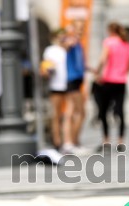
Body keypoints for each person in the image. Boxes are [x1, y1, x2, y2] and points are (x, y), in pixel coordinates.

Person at [93, 22, 129, 152]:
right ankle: (121, 141)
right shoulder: (126, 43)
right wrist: (124, 72)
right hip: (121, 81)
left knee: (104, 111)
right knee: (120, 111)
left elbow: (103, 59)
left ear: (110, 30)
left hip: (108, 80)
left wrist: (97, 72)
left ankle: (106, 140)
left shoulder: (109, 42)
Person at [41, 29, 68, 150]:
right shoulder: (51, 50)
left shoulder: (66, 49)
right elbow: (47, 66)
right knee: (56, 115)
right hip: (56, 85)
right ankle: (57, 141)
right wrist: (48, 71)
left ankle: (67, 140)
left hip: (69, 84)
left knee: (66, 115)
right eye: (60, 36)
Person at [63, 23, 86, 153]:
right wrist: (69, 40)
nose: (80, 32)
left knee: (71, 112)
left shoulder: (79, 44)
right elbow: (65, 46)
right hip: (72, 80)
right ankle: (73, 141)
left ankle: (70, 142)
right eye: (78, 29)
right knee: (80, 112)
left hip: (77, 79)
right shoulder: (71, 41)